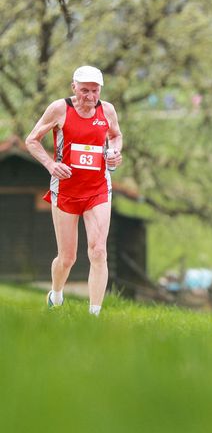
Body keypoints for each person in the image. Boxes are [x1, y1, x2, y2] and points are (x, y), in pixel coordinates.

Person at [25, 65, 123, 316]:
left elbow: (115, 136)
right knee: (67, 258)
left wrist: (113, 153)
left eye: (95, 91)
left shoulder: (107, 110)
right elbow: (32, 140)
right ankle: (56, 294)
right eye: (84, 91)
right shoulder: (60, 109)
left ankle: (94, 316)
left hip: (98, 188)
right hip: (66, 189)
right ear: (73, 88)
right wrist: (50, 164)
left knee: (98, 250)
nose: (90, 97)